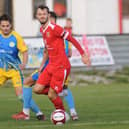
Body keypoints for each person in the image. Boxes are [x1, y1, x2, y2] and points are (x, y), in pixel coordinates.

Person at [33, 5, 90, 118]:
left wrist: (83, 54)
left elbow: (71, 39)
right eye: (40, 14)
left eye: (44, 14)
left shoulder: (55, 28)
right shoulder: (42, 30)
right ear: (37, 16)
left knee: (51, 95)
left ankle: (62, 113)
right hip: (51, 65)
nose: (42, 16)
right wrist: (42, 66)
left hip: (61, 66)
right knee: (36, 89)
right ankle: (57, 91)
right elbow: (47, 49)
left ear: (48, 15)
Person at [0, 14, 43, 121]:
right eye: (3, 26)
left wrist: (24, 63)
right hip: (1, 70)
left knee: (20, 95)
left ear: (11, 26)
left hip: (15, 70)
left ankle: (38, 112)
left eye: (7, 26)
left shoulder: (16, 37)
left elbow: (25, 51)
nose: (5, 28)